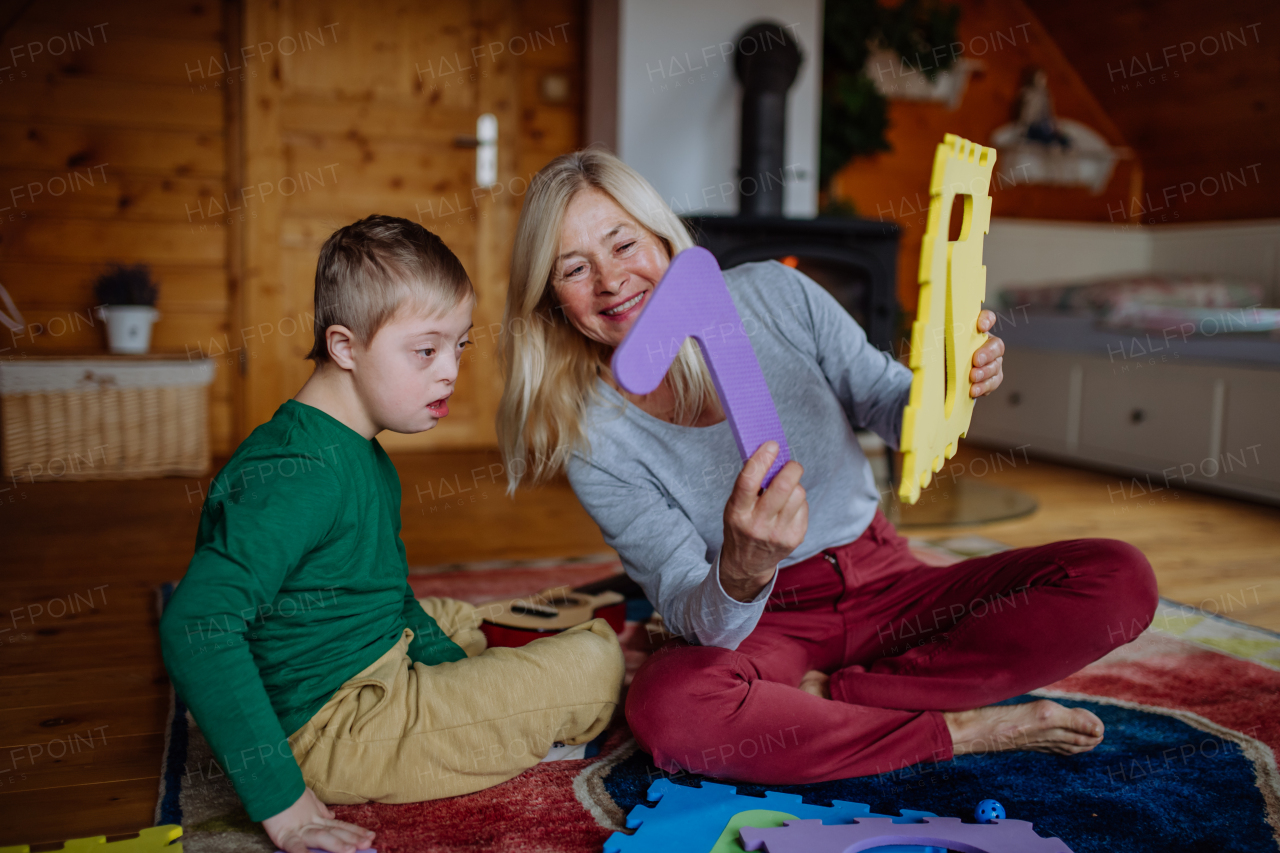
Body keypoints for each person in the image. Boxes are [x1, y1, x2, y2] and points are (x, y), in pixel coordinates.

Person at [496, 149, 1158, 785]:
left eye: (622, 243)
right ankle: (958, 727)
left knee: (1118, 579)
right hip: (767, 622)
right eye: (573, 269)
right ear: (552, 299)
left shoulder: (775, 294)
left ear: (663, 240)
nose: (611, 280)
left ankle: (843, 697)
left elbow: (891, 406)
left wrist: (948, 383)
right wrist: (744, 566)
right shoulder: (591, 437)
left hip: (887, 577)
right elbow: (697, 618)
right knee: (668, 706)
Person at [160, 215, 624, 853]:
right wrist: (285, 803)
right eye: (426, 350)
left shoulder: (356, 450)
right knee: (596, 661)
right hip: (334, 729)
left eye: (460, 346)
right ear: (346, 347)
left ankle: (484, 683)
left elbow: (384, 593)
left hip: (366, 657)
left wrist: (460, 676)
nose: (450, 371)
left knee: (454, 617)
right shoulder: (298, 476)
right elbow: (197, 625)